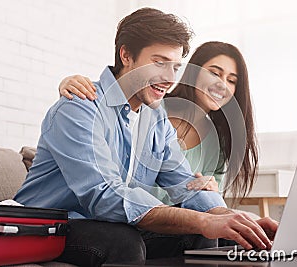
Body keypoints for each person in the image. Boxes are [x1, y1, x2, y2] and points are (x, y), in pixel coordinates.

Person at [15, 8, 277, 266]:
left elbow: (183, 182)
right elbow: (104, 195)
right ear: (126, 55)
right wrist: (203, 220)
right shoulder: (79, 107)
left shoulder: (156, 118)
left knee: (217, 236)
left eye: (175, 67)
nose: (168, 78)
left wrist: (229, 217)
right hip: (50, 226)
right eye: (159, 63)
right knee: (124, 241)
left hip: (106, 224)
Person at [60, 41, 258, 205]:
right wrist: (70, 84)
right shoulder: (151, 105)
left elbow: (201, 199)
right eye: (214, 73)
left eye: (232, 80)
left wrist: (211, 194)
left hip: (172, 223)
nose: (222, 84)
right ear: (193, 72)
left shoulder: (217, 145)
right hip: (126, 213)